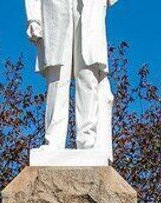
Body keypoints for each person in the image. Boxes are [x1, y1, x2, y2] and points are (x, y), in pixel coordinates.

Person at [24, 0, 117, 153]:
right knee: (57, 79)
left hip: (89, 7)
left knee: (87, 75)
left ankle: (88, 140)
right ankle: (53, 140)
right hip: (54, 8)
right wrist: (33, 18)